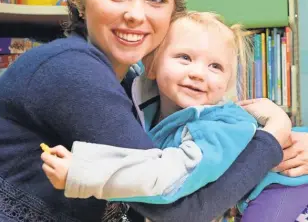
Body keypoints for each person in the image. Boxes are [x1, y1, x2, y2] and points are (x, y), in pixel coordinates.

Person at [0, 0, 296, 221]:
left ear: (172, 14)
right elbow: (180, 208)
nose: (135, 14)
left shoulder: (135, 82)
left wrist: (288, 138)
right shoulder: (72, 69)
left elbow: (202, 134)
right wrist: (273, 138)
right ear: (80, 0)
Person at [41, 12, 308, 222]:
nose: (199, 73)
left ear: (227, 82)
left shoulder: (216, 126)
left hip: (286, 184)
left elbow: (172, 179)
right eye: (184, 57)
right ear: (153, 65)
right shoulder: (147, 102)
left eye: (215, 66)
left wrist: (83, 172)